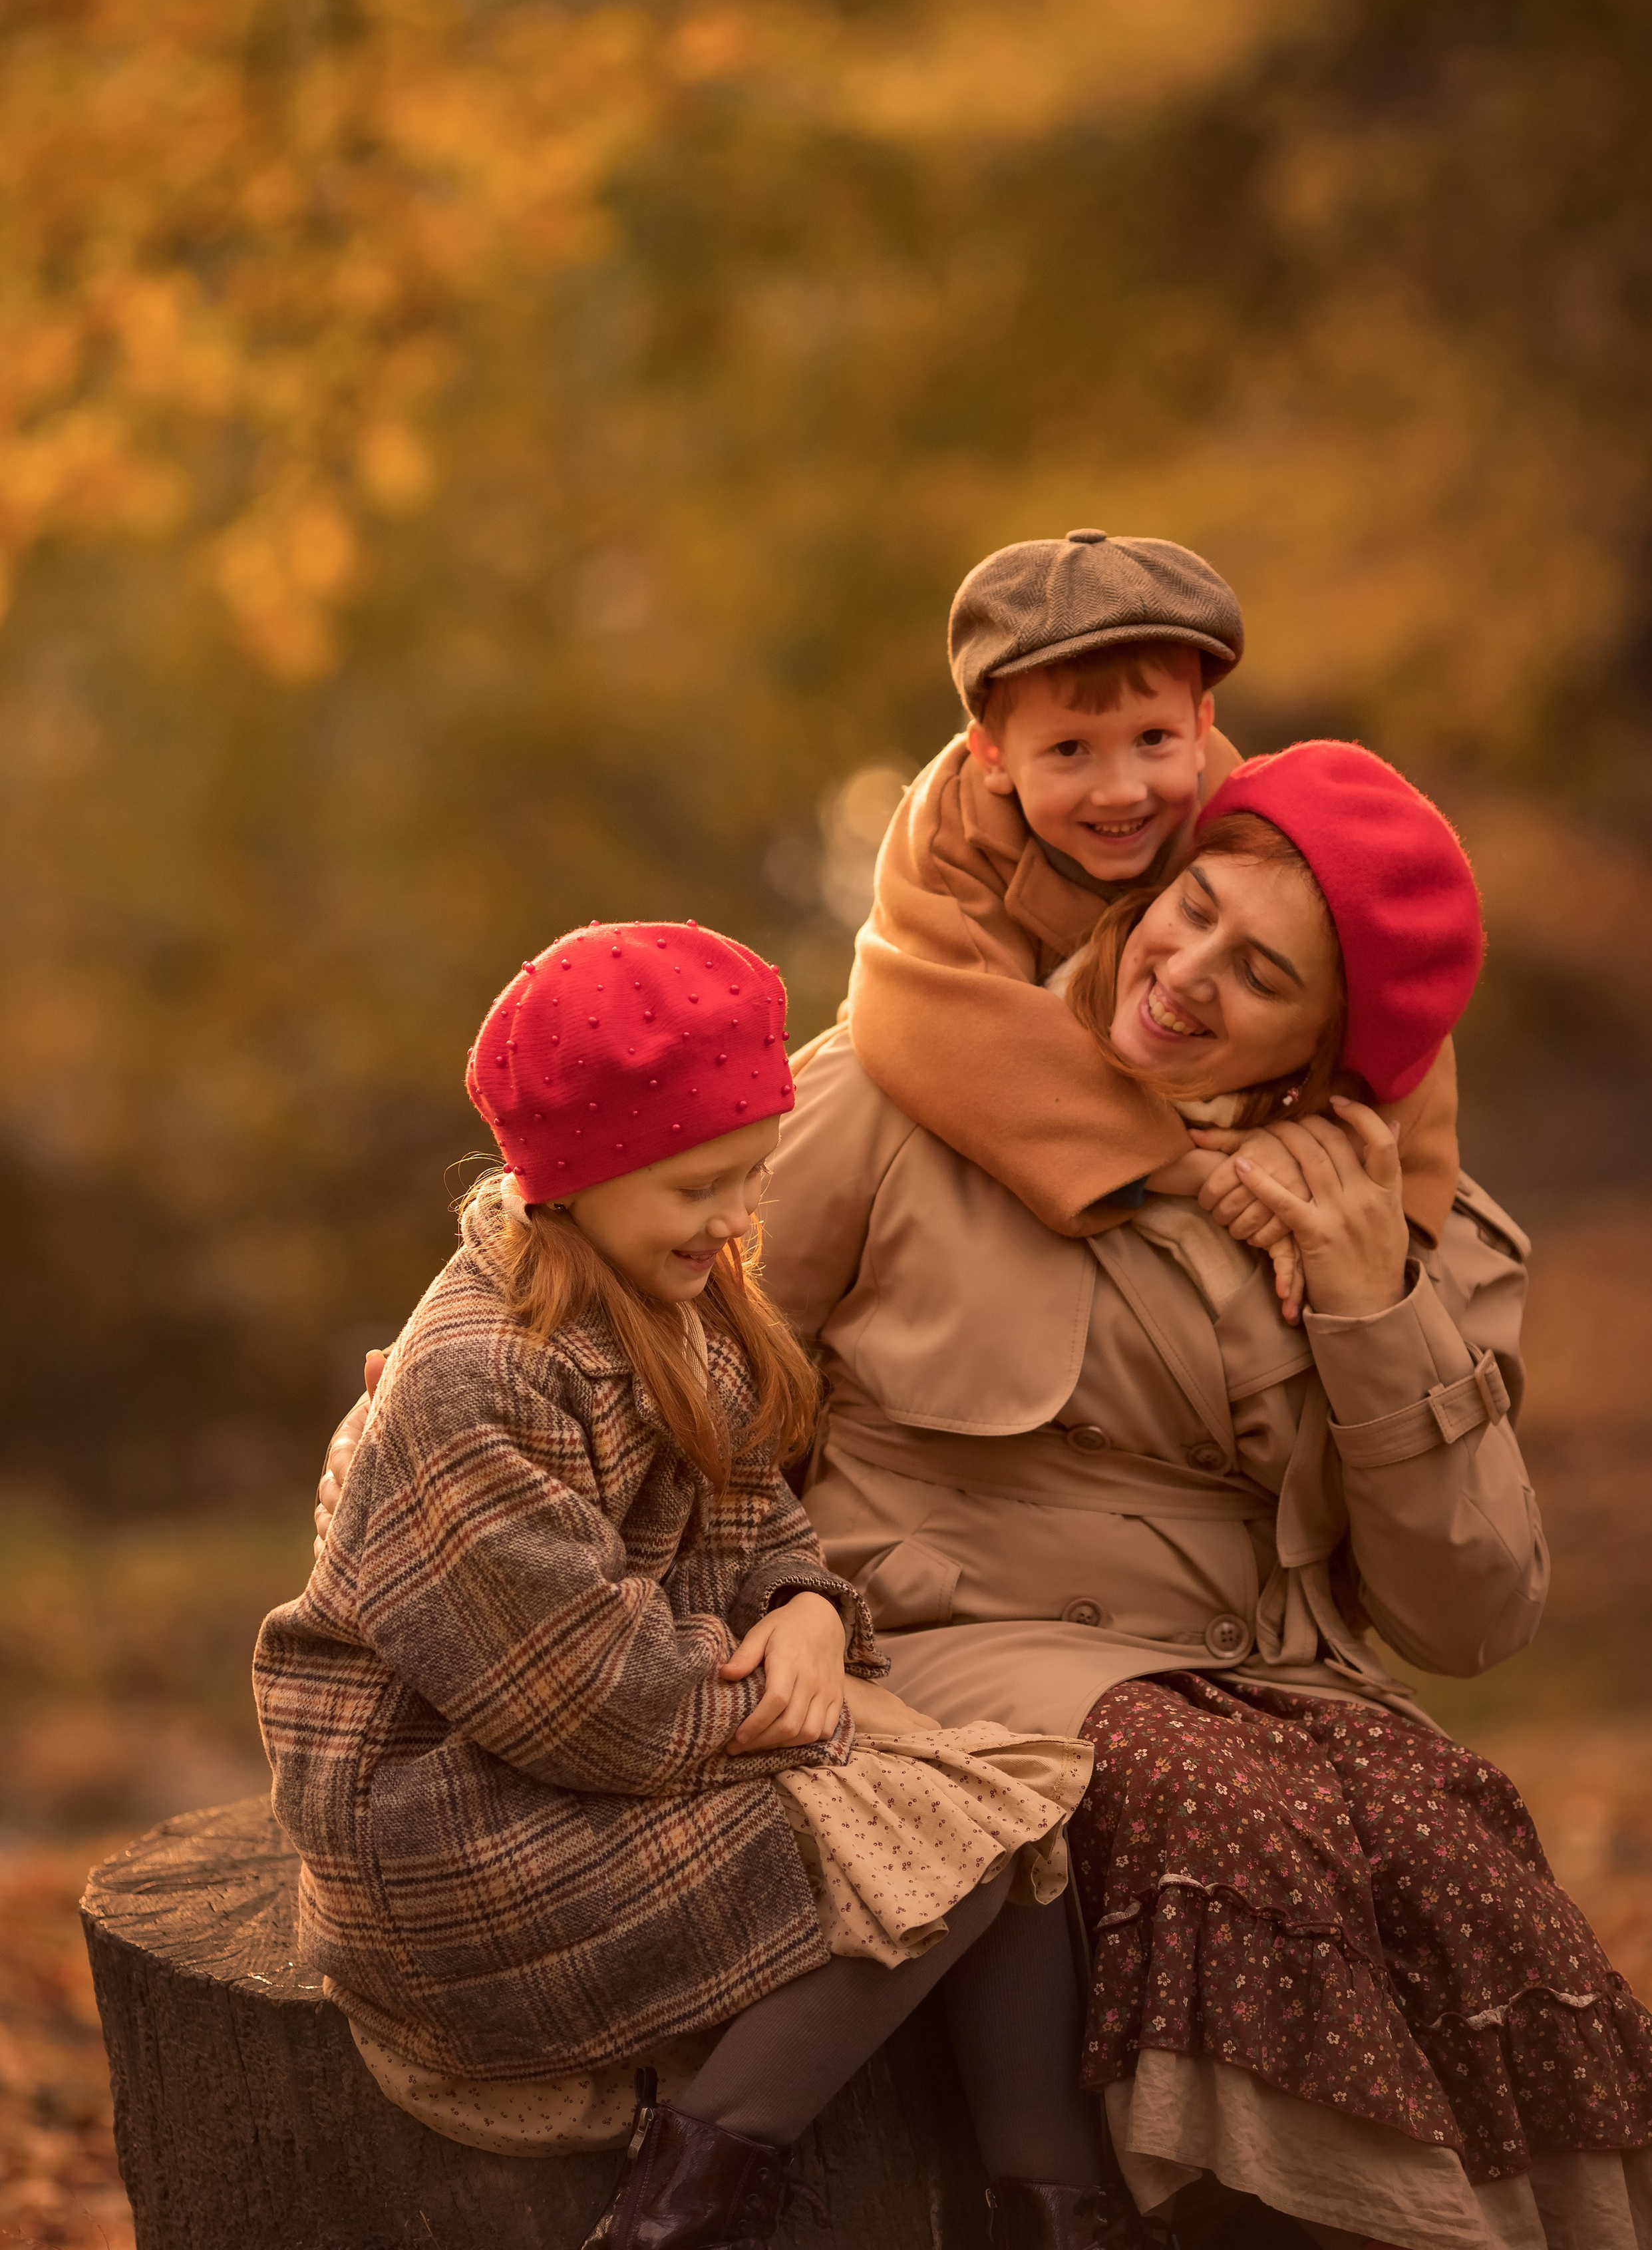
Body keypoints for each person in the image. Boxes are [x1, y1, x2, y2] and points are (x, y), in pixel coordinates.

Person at [762, 745, 1652, 2250]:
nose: (1183, 970)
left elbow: (1469, 1618)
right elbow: (668, 1320)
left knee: (1450, 1828)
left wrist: (1365, 1301)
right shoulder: (894, 1092)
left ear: (1329, 1051)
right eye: (1186, 906)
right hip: (958, 1640)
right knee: (1226, 1804)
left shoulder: (1405, 1232)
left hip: (1255, 1673)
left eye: (1257, 972)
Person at [257, 922, 1116, 2250]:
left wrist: (806, 1612)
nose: (733, 1221)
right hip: (455, 1831)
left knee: (1002, 1820)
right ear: (575, 1177)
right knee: (940, 1846)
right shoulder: (475, 1379)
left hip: (611, 1761)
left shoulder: (669, 1301)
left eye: (747, 1179)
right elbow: (590, 1698)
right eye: (697, 1186)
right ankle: (682, 2211)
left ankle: (1055, 2217)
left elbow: (751, 1511)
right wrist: (832, 1724)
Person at [846, 527, 1461, 1248]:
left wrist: (1312, 1153)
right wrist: (1168, 1164)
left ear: (1200, 726)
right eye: (1069, 750)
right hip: (1067, 1132)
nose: (1120, 790)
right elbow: (937, 1025)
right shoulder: (945, 841)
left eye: (1153, 740)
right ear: (993, 756)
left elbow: (1382, 993)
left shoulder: (1244, 823)